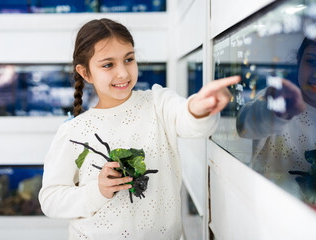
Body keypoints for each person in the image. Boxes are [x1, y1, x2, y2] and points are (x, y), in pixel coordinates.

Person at [39, 18, 240, 239]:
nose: (123, 73)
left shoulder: (157, 102)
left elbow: (187, 119)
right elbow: (50, 199)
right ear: (85, 73)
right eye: (108, 64)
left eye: (129, 59)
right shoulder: (73, 132)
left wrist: (198, 107)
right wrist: (97, 191)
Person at [236, 37, 316, 200]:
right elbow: (243, 125)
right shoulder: (277, 99)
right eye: (311, 61)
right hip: (267, 211)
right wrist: (276, 112)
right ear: (298, 60)